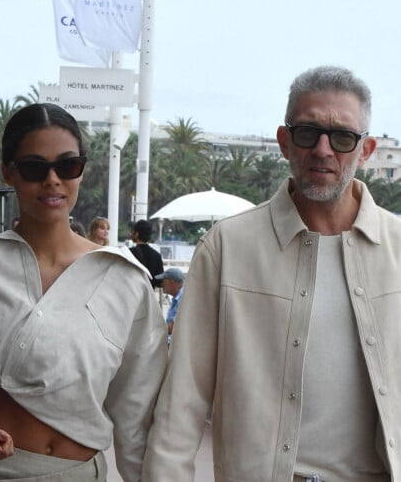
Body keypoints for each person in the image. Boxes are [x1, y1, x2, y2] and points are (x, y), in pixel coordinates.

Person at [142, 65, 401, 481]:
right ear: (284, 142)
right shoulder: (228, 248)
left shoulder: (398, 250)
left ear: (366, 150)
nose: (322, 149)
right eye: (307, 132)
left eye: (342, 137)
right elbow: (182, 400)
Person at [0, 102, 167, 482]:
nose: (53, 180)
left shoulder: (124, 280)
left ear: (82, 171)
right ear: (9, 172)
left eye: (68, 166)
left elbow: (138, 414)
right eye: (36, 168)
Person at [154, 268, 184, 345]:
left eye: (163, 281)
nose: (161, 284)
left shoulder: (183, 298)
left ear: (172, 282)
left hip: (174, 346)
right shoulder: (178, 297)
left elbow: (175, 326)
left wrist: (155, 334)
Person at [129, 220, 164, 288]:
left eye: (132, 231)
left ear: (136, 234)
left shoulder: (129, 253)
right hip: (149, 295)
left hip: (132, 294)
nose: (131, 234)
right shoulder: (157, 256)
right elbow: (159, 282)